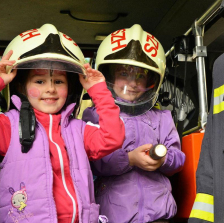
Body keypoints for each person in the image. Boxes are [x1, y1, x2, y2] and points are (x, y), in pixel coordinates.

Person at [0, 24, 125, 223]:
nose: (50, 89)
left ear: (70, 89)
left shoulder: (79, 130)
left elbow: (113, 138)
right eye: (39, 81)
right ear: (21, 87)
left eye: (59, 82)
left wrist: (98, 91)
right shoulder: (9, 126)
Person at [82, 24, 186, 223]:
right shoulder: (95, 116)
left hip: (159, 215)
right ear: (109, 75)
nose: (132, 83)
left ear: (151, 81)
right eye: (124, 74)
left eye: (140, 76)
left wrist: (163, 159)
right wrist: (129, 159)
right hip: (115, 217)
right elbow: (91, 163)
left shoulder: (162, 117)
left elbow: (178, 159)